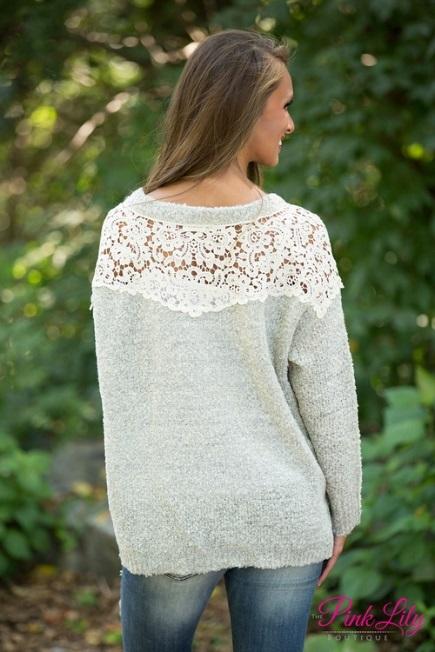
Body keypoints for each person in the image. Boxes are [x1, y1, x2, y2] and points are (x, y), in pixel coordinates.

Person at [90, 28, 363, 652]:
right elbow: (327, 392)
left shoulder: (128, 231)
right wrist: (343, 510)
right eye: (283, 106)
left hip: (169, 511)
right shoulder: (297, 235)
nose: (291, 123)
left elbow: (121, 388)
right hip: (283, 506)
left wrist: (136, 512)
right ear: (243, 109)